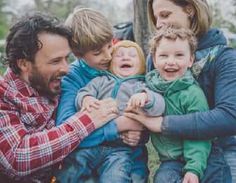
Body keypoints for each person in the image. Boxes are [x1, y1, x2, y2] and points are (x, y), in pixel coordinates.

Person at [125, 0, 236, 182]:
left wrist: (162, 124)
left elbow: (230, 116)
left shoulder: (224, 57)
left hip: (220, 151)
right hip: (172, 157)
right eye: (156, 17)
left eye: (165, 15)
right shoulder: (156, 60)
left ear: (190, 10)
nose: (158, 23)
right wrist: (136, 128)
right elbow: (151, 106)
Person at [0, 12, 118, 183]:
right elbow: (17, 157)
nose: (66, 68)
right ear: (24, 63)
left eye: (66, 58)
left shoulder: (55, 82)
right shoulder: (4, 97)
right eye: (55, 61)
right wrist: (88, 119)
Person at [54, 8, 150, 183]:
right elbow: (64, 135)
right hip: (86, 160)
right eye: (97, 52)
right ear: (78, 54)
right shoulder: (73, 78)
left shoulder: (124, 64)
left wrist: (140, 131)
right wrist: (118, 126)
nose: (108, 56)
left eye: (109, 45)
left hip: (127, 158)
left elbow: (143, 115)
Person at [57, 40, 165, 182]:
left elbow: (159, 105)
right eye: (119, 55)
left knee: (116, 176)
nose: (125, 58)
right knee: (71, 168)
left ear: (142, 64)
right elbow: (83, 92)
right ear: (111, 62)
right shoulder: (101, 80)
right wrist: (86, 99)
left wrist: (146, 97)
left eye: (132, 55)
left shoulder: (141, 86)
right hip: (92, 145)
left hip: (120, 149)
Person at [134, 25, 211, 183]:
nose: (171, 62)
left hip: (194, 156)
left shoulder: (192, 94)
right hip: (169, 160)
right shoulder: (151, 84)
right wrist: (141, 96)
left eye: (179, 55)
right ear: (154, 60)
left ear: (190, 60)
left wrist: (193, 168)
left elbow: (199, 134)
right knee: (162, 178)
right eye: (164, 56)